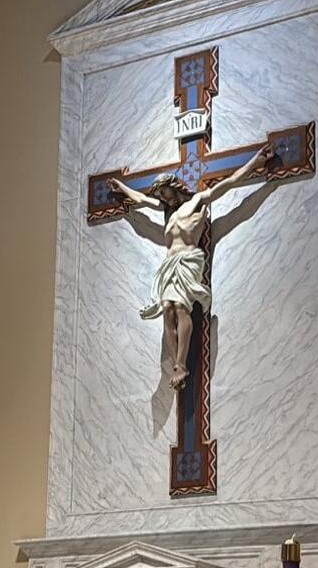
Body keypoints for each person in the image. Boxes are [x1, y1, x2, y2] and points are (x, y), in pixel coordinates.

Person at [111, 140, 279, 389]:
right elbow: (140, 200)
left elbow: (229, 183)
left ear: (172, 187)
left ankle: (182, 363)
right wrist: (122, 187)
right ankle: (176, 363)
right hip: (169, 265)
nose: (161, 198)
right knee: (167, 309)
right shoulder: (165, 211)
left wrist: (254, 162)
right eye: (158, 195)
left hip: (189, 260)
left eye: (163, 192)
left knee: (181, 308)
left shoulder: (198, 202)